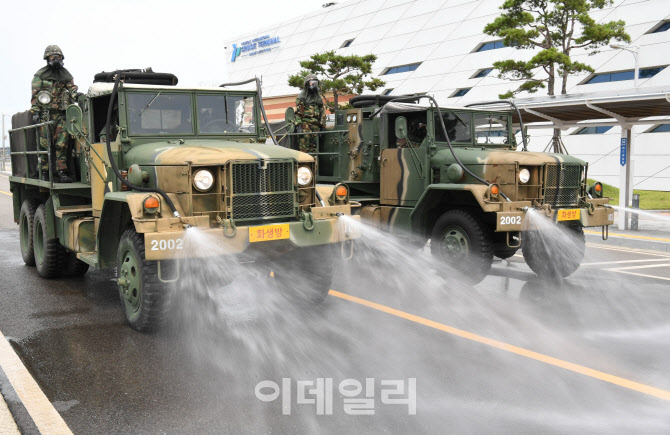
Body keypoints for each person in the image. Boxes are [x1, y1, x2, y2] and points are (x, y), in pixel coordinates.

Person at [30, 45, 78, 182]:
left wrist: (77, 95)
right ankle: (44, 172)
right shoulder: (40, 75)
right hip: (45, 114)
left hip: (61, 115)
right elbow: (35, 95)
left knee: (62, 144)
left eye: (58, 57)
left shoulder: (66, 74)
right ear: (47, 58)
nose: (56, 59)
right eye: (52, 57)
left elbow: (72, 88)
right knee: (44, 144)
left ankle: (62, 172)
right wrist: (35, 112)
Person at [294, 74, 326, 153]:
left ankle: (315, 165)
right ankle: (305, 165)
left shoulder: (318, 97)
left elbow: (322, 111)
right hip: (305, 126)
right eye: (312, 83)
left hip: (316, 126)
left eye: (315, 83)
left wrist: (323, 126)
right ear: (307, 84)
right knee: (304, 149)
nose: (314, 85)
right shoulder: (301, 97)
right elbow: (298, 113)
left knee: (315, 150)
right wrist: (298, 126)